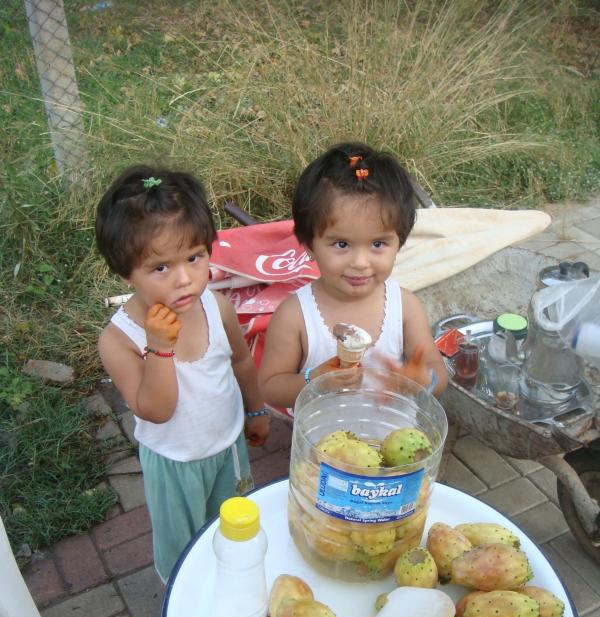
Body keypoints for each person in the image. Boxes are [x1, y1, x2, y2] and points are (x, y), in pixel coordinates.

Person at [96, 166, 269, 583]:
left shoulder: (216, 306)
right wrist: (159, 348)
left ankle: (234, 581)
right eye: (160, 268)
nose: (185, 279)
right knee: (183, 552)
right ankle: (182, 596)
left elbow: (241, 361)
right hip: (175, 464)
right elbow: (156, 409)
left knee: (233, 534)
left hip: (227, 447)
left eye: (195, 257)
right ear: (126, 275)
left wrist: (256, 409)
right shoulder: (120, 340)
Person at [259, 142, 448, 408]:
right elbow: (271, 387)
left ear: (400, 243)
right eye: (342, 244)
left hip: (393, 442)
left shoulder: (405, 307)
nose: (360, 263)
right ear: (309, 245)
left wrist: (420, 379)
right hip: (323, 445)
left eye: (378, 244)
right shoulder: (294, 315)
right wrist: (314, 380)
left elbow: (437, 372)